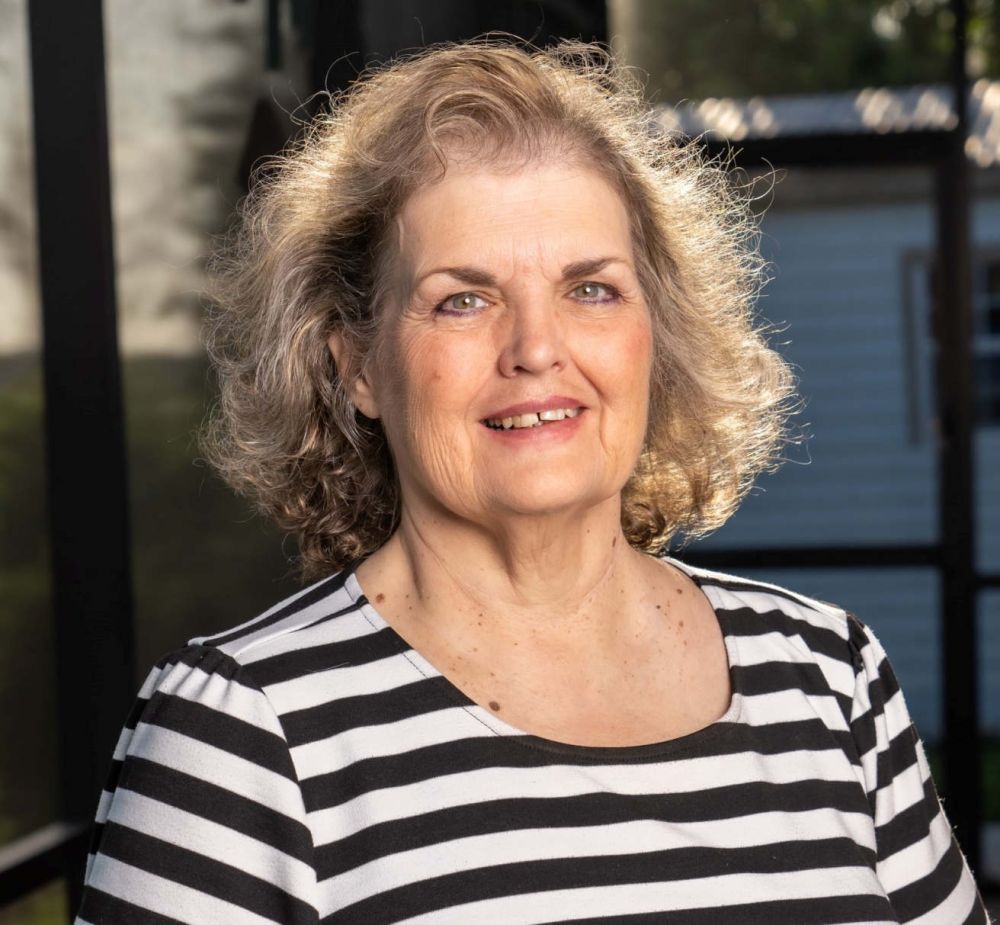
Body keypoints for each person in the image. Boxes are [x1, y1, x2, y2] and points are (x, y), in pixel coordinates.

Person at [74, 38, 988, 924]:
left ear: (657, 334)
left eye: (591, 289)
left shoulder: (830, 678)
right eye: (462, 299)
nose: (537, 349)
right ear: (356, 366)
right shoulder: (241, 735)